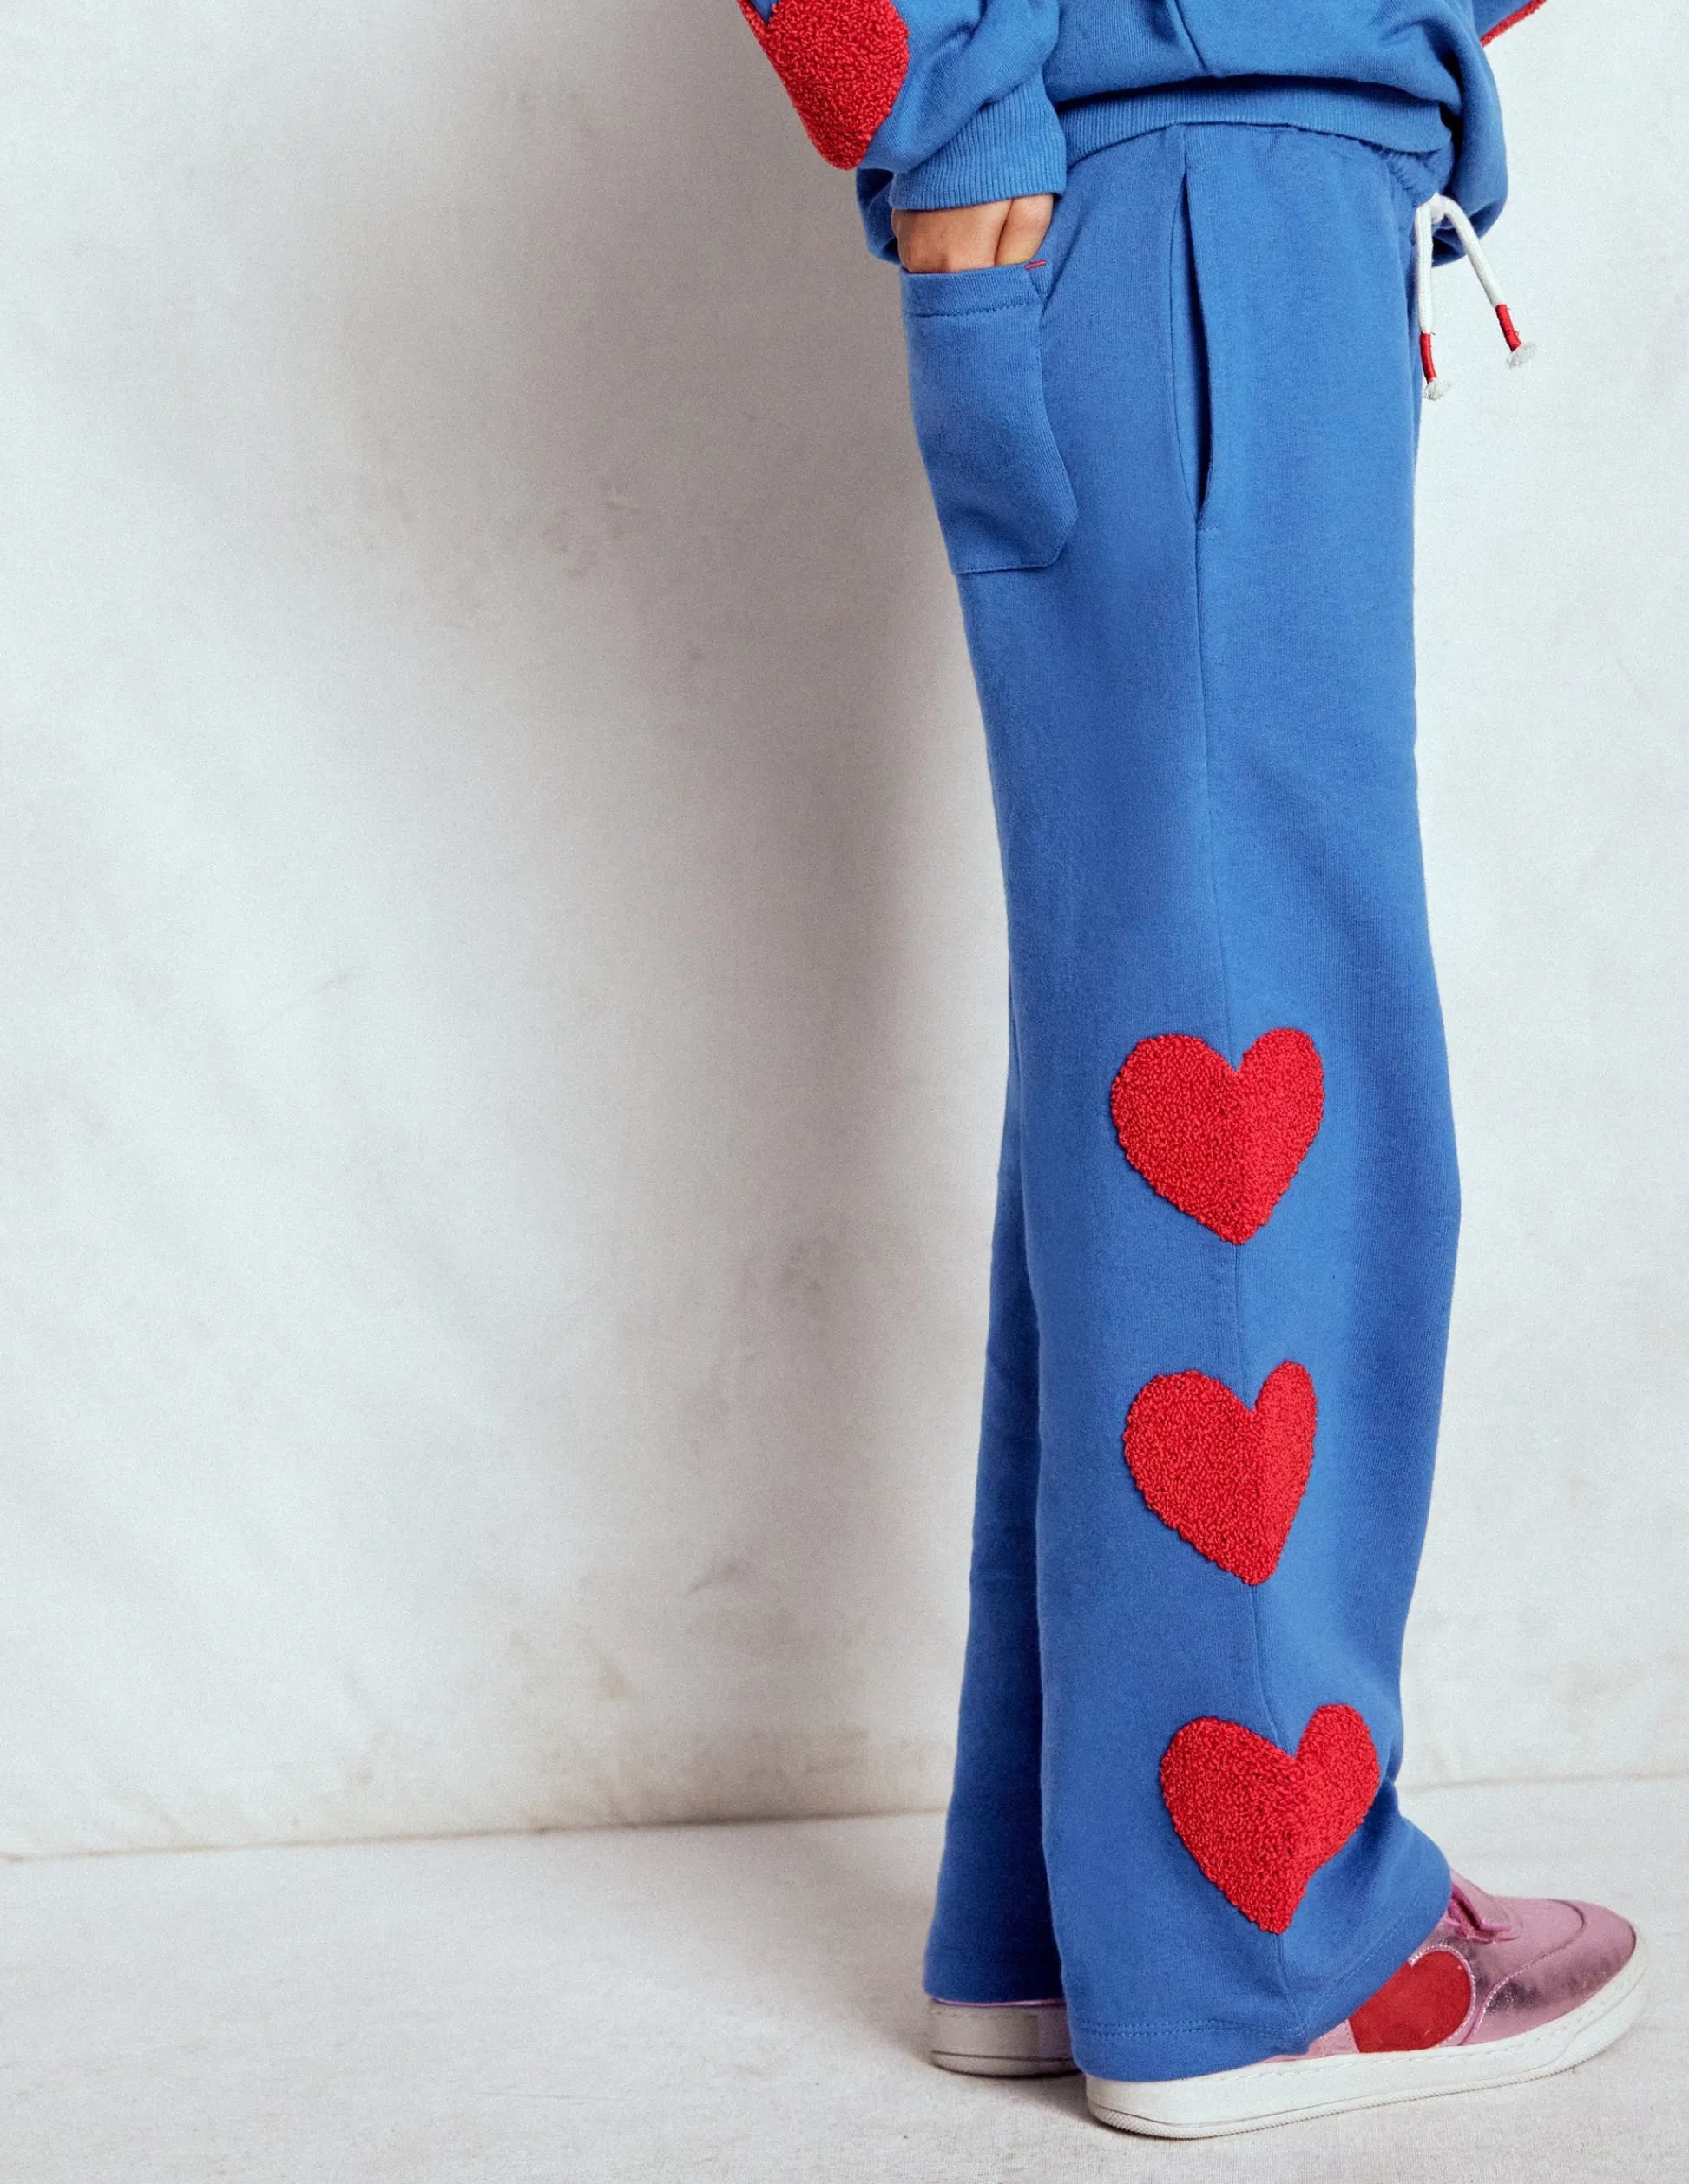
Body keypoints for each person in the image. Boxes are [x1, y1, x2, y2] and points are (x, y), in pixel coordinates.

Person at [735, 0, 1646, 2137]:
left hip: (1235, 207)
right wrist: (940, 110)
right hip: (1176, 217)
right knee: (1261, 1085)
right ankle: (1261, 1953)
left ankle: (1071, 1919)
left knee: (1166, 1071)